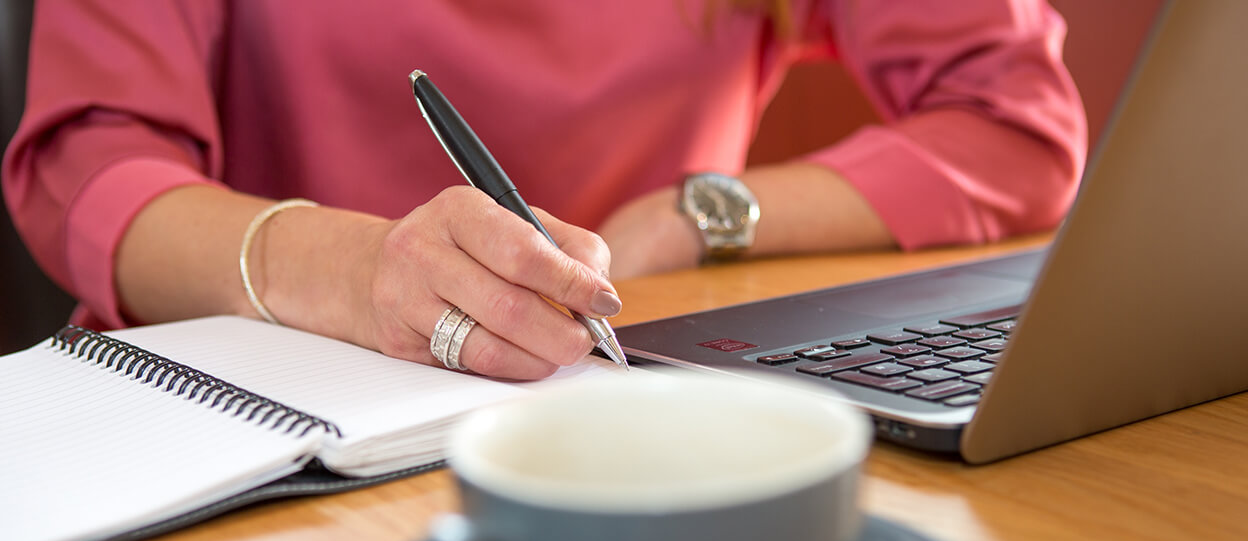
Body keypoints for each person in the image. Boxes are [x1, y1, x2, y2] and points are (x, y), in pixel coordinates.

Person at [2, 0, 1086, 381]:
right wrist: (353, 270)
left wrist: (697, 215)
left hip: (619, 420)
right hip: (266, 424)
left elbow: (1015, 122)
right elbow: (86, 166)